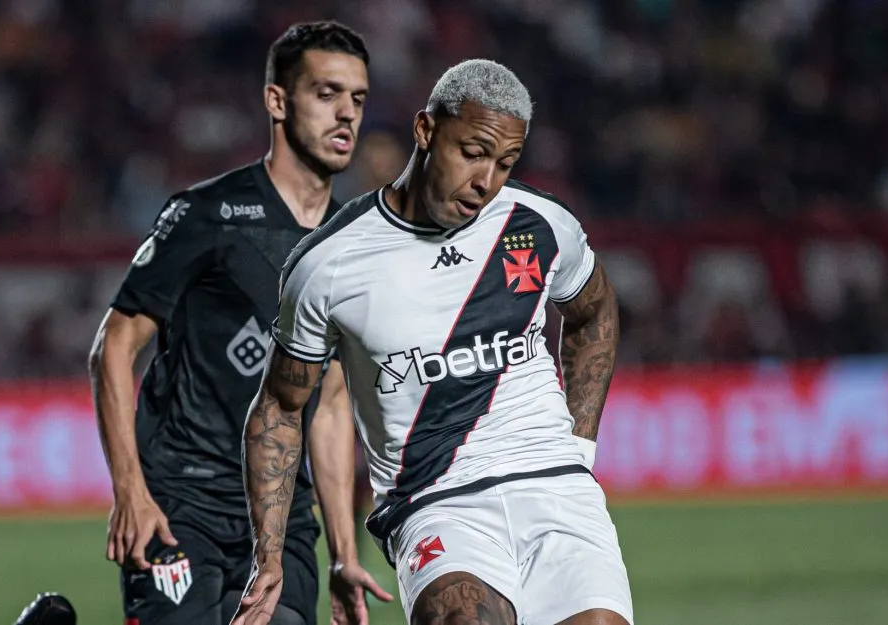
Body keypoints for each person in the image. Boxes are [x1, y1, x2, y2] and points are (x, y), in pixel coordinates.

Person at [233, 59, 633, 625]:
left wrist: (580, 449)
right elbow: (279, 404)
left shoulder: (541, 225)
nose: (486, 182)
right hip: (436, 502)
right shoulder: (330, 264)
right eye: (472, 152)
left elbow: (594, 312)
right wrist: (268, 554)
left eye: (505, 163)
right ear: (425, 131)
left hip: (558, 489)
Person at [89, 21, 390, 625]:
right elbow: (114, 347)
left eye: (356, 99)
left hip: (282, 519)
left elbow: (330, 402)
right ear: (277, 101)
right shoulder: (208, 214)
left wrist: (342, 551)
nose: (346, 115)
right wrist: (131, 492)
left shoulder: (352, 243)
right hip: (181, 504)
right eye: (326, 94)